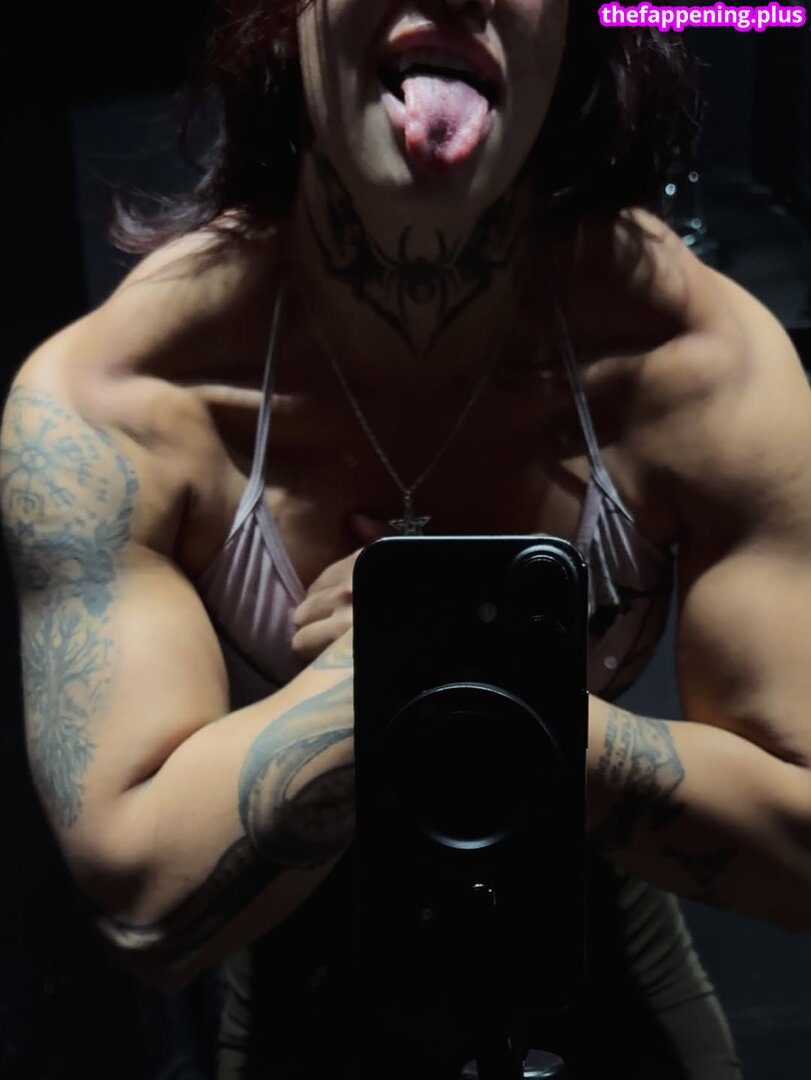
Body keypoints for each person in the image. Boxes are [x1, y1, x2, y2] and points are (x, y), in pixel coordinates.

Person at [3, 0, 811, 1076]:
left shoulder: (693, 353)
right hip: (304, 1015)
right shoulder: (120, 395)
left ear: (569, 33)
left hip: (611, 1000)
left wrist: (444, 665)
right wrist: (445, 663)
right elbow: (146, 908)